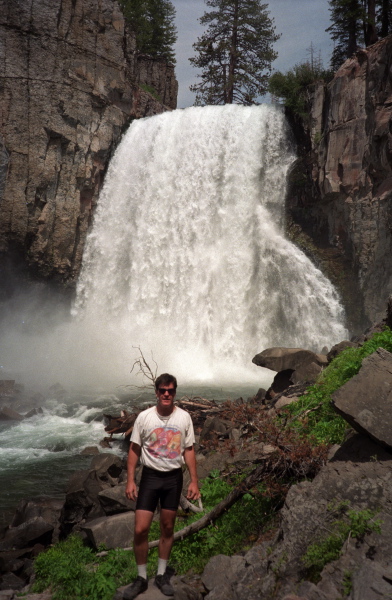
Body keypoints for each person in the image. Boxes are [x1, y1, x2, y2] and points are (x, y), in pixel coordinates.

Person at [119, 373, 200, 600]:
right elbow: (134, 449)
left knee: (167, 528)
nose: (167, 394)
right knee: (140, 529)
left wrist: (194, 481)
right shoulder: (145, 418)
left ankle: (162, 575)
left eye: (171, 390)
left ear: (175, 393)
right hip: (150, 477)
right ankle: (141, 578)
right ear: (156, 392)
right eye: (163, 390)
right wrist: (130, 480)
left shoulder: (184, 418)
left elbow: (189, 450)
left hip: (173, 479)